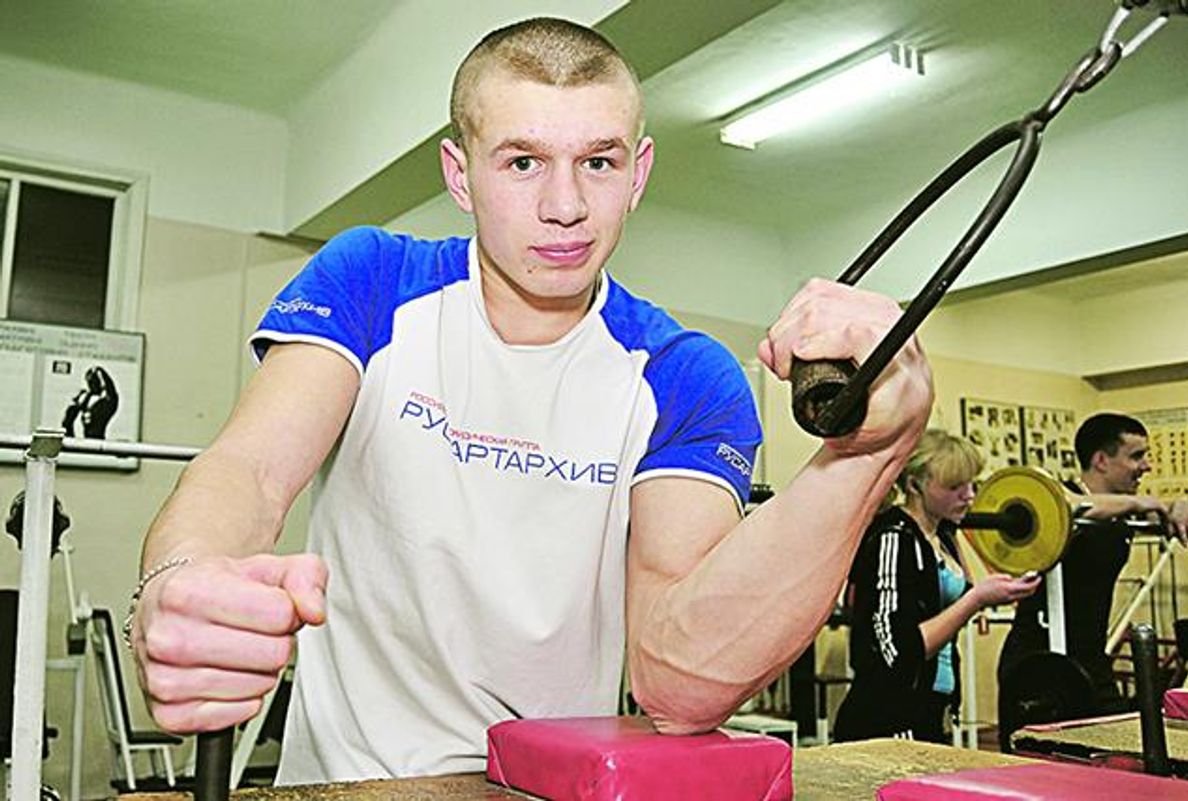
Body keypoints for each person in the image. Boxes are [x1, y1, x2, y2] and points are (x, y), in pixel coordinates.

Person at [126, 17, 933, 784]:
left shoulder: (685, 376)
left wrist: (865, 455)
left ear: (638, 172)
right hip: (349, 785)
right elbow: (251, 470)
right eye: (522, 162)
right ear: (460, 175)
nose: (565, 205)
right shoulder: (374, 279)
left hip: (544, 789)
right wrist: (182, 576)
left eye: (599, 162)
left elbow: (678, 678)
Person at [997, 412, 1188, 748]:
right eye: (1136, 456)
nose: (1146, 466)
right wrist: (1144, 502)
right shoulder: (1064, 498)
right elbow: (1070, 505)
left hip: (1090, 659)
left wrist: (1180, 504)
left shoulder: (1123, 512)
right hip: (1040, 659)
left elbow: (1171, 512)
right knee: (1042, 766)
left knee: (1118, 754)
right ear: (1101, 460)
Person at [833, 430, 1040, 743]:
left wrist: (995, 591)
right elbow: (898, 652)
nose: (969, 496)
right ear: (914, 485)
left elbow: (953, 604)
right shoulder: (893, 539)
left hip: (931, 710)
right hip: (887, 719)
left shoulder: (943, 537)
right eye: (954, 487)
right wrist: (976, 599)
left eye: (972, 484)